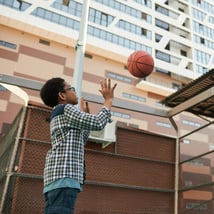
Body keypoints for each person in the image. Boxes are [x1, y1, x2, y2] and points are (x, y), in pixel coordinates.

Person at [40, 77, 117, 214]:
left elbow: (82, 139)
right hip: (63, 178)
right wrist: (108, 100)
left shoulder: (61, 113)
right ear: (62, 95)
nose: (75, 92)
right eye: (72, 89)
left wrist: (86, 116)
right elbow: (98, 123)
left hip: (59, 179)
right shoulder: (66, 109)